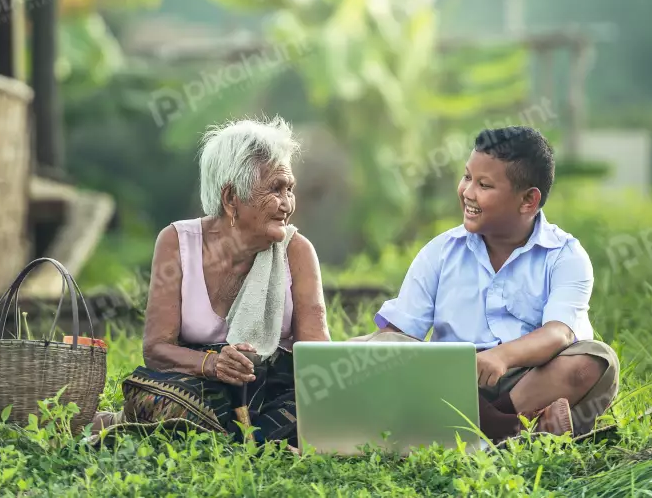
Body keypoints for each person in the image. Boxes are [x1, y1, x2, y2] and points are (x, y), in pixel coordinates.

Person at [354, 126, 619, 442]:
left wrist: (503, 356)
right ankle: (511, 431)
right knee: (380, 347)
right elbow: (399, 333)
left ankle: (459, 430)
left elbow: (559, 332)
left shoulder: (565, 255)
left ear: (528, 200)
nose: (467, 192)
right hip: (447, 380)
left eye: (484, 185)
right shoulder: (440, 252)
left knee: (596, 361)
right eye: (467, 177)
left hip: (527, 381)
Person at [92, 117, 330, 446]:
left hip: (274, 391)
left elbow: (318, 358)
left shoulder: (298, 252)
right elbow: (156, 349)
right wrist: (214, 363)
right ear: (231, 197)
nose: (287, 204)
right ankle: (258, 442)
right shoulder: (177, 242)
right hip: (201, 388)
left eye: (289, 189)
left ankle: (230, 438)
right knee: (163, 399)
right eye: (275, 189)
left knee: (316, 407)